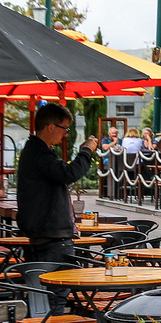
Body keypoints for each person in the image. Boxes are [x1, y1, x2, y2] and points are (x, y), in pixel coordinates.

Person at [15, 102, 98, 265]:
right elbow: (68, 173)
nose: (66, 134)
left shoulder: (35, 150)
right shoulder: (39, 154)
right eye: (65, 128)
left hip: (44, 235)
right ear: (51, 127)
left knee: (43, 288)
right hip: (51, 238)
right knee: (57, 288)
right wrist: (86, 151)